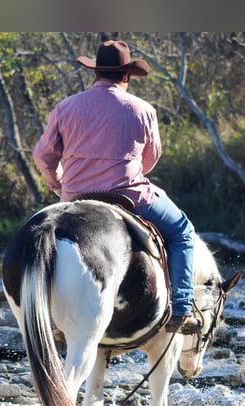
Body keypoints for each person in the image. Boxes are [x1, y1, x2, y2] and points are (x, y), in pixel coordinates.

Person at [33, 40, 200, 334]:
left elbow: (43, 156)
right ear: (126, 76)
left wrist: (58, 183)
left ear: (96, 73)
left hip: (74, 198)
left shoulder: (66, 107)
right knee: (182, 232)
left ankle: (48, 313)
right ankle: (182, 309)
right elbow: (150, 158)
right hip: (129, 196)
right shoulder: (143, 109)